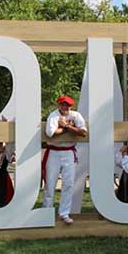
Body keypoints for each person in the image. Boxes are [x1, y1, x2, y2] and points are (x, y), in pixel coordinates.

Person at [43, 95, 88, 225]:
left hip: (69, 151)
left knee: (68, 183)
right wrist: (67, 128)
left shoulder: (76, 115)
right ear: (59, 105)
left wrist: (66, 127)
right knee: (50, 183)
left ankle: (64, 213)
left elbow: (83, 132)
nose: (65, 107)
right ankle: (47, 211)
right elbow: (50, 133)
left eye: (67, 105)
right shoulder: (53, 115)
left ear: (71, 106)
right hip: (54, 151)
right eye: (63, 105)